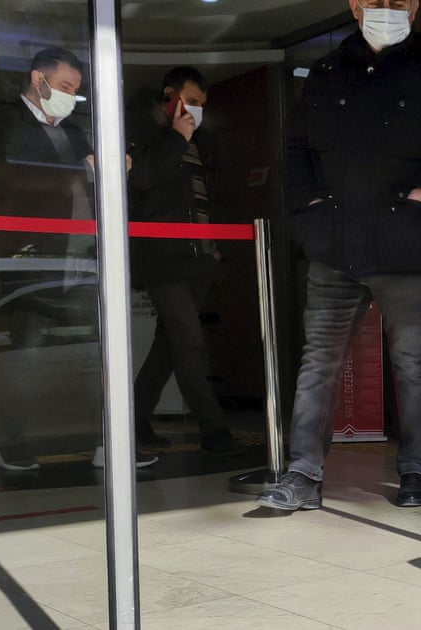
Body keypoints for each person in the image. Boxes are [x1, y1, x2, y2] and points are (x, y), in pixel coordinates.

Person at [258, 0, 421, 510]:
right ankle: (303, 476)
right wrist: (310, 208)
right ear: (355, 5)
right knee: (318, 362)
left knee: (413, 365)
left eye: (400, 1)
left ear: (416, 6)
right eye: (377, 0)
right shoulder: (324, 74)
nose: (389, 9)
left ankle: (416, 472)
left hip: (405, 247)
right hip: (334, 247)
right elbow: (295, 150)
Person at [0, 48, 156, 470]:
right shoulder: (8, 124)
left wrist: (116, 167)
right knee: (23, 356)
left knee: (98, 351)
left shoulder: (74, 131)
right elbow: (18, 181)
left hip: (80, 258)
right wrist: (85, 171)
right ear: (38, 80)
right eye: (65, 87)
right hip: (32, 260)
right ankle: (8, 441)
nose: (70, 96)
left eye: (76, 90)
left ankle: (108, 442)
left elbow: (91, 179)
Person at [125, 66, 244, 456]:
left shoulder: (200, 140)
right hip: (162, 259)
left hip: (198, 260)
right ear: (169, 96)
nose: (196, 110)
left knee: (170, 345)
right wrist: (177, 138)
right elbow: (140, 180)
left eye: (201, 105)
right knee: (189, 343)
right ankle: (213, 430)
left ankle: (134, 420)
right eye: (190, 101)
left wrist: (216, 247)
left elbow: (210, 195)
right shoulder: (141, 132)